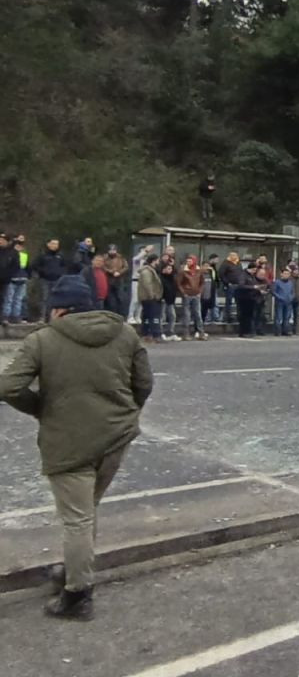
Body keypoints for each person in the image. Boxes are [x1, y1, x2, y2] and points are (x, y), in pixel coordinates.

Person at [0, 274, 153, 620]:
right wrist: (124, 414)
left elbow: (8, 387)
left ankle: (78, 594)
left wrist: (39, 407)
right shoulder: (124, 333)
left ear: (60, 309)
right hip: (116, 439)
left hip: (68, 442)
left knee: (77, 519)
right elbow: (144, 384)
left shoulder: (42, 340)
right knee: (87, 511)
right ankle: (73, 568)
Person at [36, 238, 67, 321]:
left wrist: (60, 273)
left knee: (56, 299)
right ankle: (42, 317)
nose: (54, 246)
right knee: (44, 298)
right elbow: (36, 266)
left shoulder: (60, 256)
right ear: (48, 244)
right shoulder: (43, 255)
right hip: (45, 280)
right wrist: (43, 272)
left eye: (56, 244)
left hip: (57, 280)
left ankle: (53, 317)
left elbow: (64, 266)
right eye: (53, 244)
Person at [177, 255, 207, 341]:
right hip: (187, 294)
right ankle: (186, 333)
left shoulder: (199, 271)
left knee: (198, 314)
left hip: (196, 294)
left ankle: (201, 333)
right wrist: (184, 293)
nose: (188, 262)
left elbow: (202, 282)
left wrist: (200, 292)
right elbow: (179, 283)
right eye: (187, 261)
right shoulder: (183, 271)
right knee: (187, 315)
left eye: (190, 261)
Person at [4, 234, 31, 323]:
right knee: (9, 299)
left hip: (22, 278)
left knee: (18, 299)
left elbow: (27, 266)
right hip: (12, 278)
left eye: (21, 245)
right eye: (17, 244)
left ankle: (16, 316)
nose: (19, 247)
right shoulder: (9, 254)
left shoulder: (24, 254)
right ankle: (6, 316)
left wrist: (28, 275)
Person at [137, 255, 163, 344]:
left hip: (147, 297)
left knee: (147, 316)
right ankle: (155, 334)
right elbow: (147, 284)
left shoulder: (150, 271)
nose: (158, 263)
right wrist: (153, 295)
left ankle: (147, 334)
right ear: (154, 261)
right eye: (157, 261)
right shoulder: (147, 271)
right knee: (153, 316)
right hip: (149, 297)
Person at [127, 244, 154, 324]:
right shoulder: (136, 260)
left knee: (141, 300)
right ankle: (130, 316)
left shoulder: (147, 262)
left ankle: (137, 316)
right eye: (142, 251)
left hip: (144, 282)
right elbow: (137, 258)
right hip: (136, 280)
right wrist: (145, 250)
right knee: (135, 299)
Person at [102, 245, 129, 316]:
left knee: (120, 297)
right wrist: (110, 271)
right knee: (109, 298)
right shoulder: (105, 258)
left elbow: (126, 267)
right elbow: (102, 266)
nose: (112, 252)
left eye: (114, 250)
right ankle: (110, 313)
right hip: (108, 279)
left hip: (119, 279)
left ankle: (120, 314)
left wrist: (119, 272)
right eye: (111, 250)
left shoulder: (121, 257)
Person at [158, 256, 180, 342]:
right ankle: (161, 332)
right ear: (164, 269)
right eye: (168, 268)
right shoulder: (161, 278)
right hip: (163, 299)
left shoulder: (172, 277)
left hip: (170, 300)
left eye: (170, 268)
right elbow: (160, 288)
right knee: (162, 317)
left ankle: (170, 331)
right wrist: (161, 297)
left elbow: (174, 288)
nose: (170, 270)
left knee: (172, 316)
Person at [271, 269, 295, 336]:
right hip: (280, 302)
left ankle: (286, 330)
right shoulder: (277, 282)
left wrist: (291, 297)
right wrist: (279, 297)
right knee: (279, 317)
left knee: (287, 317)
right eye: (285, 274)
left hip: (288, 302)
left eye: (288, 274)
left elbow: (293, 292)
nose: (286, 275)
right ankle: (278, 331)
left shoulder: (290, 283)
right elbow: (273, 291)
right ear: (281, 274)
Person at [0, 233, 16, 325]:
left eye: (2, 240)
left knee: (4, 299)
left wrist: (8, 275)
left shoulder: (12, 252)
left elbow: (15, 266)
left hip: (5, 280)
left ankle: (3, 318)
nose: (0, 242)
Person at [252, 262, 271, 336]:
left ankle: (260, 330)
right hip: (253, 300)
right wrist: (259, 291)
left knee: (261, 317)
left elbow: (270, 287)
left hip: (261, 301)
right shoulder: (253, 279)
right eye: (261, 274)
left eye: (263, 274)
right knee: (254, 316)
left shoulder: (265, 280)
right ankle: (253, 330)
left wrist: (267, 291)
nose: (262, 276)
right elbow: (251, 288)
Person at [201, 254, 221, 324]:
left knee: (213, 303)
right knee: (207, 306)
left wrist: (217, 285)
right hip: (204, 292)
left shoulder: (213, 269)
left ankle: (213, 317)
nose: (217, 260)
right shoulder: (204, 272)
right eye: (216, 259)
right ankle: (208, 317)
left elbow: (215, 278)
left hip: (212, 289)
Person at [288, 262, 299, 334]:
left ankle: (296, 330)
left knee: (297, 315)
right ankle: (289, 329)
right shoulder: (289, 279)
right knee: (289, 315)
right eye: (295, 270)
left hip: (298, 299)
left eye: (297, 270)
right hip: (290, 299)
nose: (297, 272)